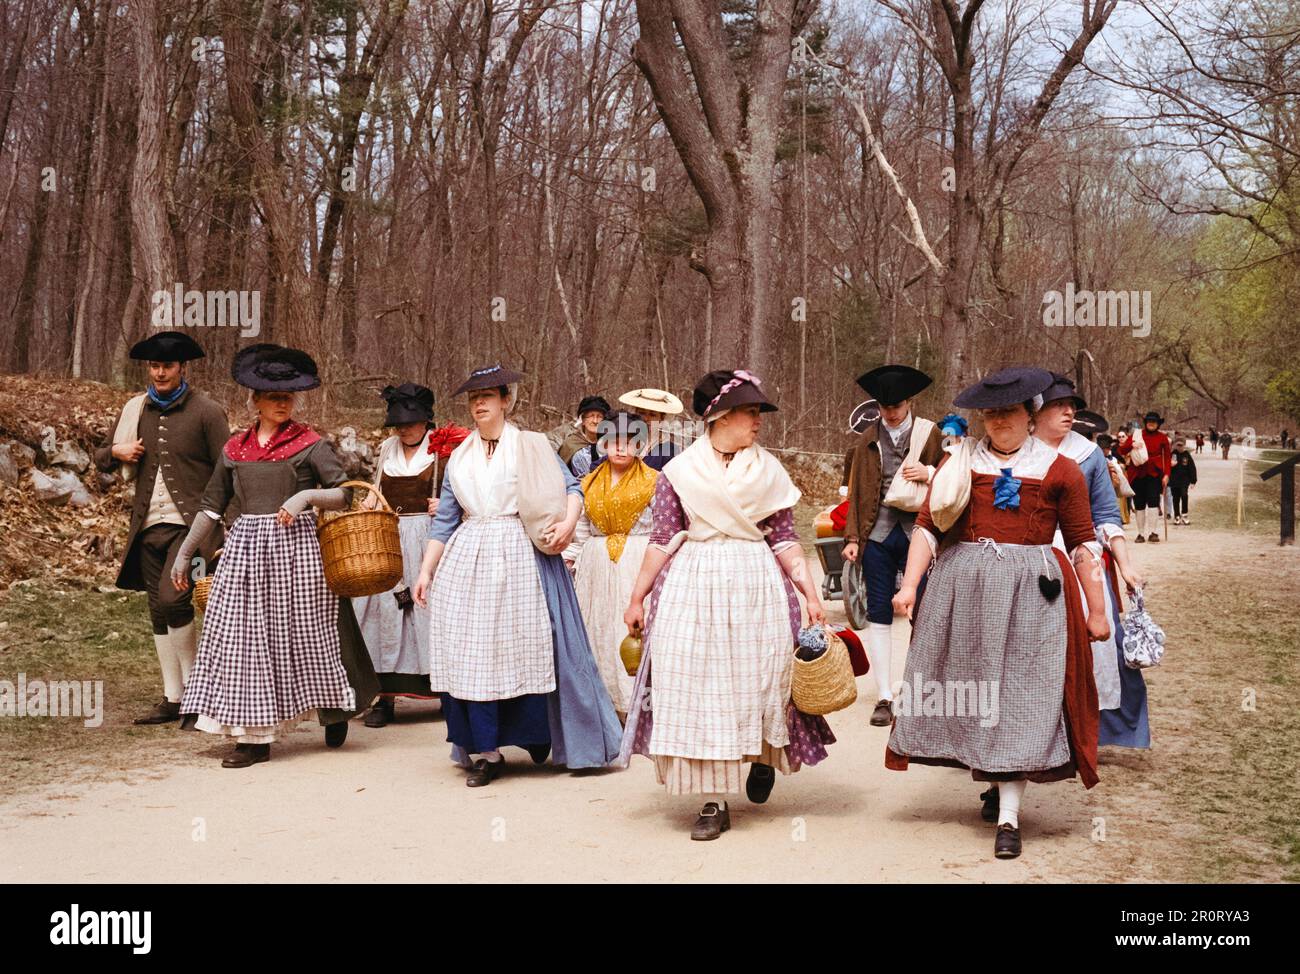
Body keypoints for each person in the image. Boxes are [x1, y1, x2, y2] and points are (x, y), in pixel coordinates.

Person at [887, 367, 1109, 861]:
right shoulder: (958, 464)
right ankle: (993, 779)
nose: (998, 422)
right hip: (966, 593)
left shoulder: (1060, 470)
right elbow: (926, 527)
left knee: (1024, 695)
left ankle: (1009, 816)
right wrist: (909, 585)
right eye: (989, 414)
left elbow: (1082, 544)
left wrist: (1097, 608)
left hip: (1035, 595)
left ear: (1030, 415)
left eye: (1007, 412)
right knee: (978, 690)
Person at [620, 369, 834, 841]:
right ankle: (713, 801)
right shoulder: (679, 473)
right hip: (693, 585)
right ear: (719, 415)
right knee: (697, 685)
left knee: (759, 678)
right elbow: (663, 539)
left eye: (759, 412)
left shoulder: (768, 471)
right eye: (750, 412)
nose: (758, 421)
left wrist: (810, 593)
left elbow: (783, 541)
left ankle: (760, 755)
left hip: (755, 583)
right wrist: (637, 596)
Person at [170, 344, 381, 768]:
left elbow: (343, 494)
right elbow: (211, 506)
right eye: (273, 397)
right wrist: (184, 554)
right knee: (244, 639)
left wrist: (304, 495)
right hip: (247, 552)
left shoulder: (310, 444)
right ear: (256, 402)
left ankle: (333, 709)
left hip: (299, 552)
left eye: (288, 396)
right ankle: (254, 738)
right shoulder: (235, 450)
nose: (282, 403)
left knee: (312, 634)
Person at [413, 364, 621, 787]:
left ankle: (543, 734)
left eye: (488, 397)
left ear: (506, 401)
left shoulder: (530, 445)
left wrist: (566, 525)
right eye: (474, 399)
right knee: (475, 653)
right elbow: (445, 520)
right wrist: (425, 570)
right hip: (471, 556)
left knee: (536, 643)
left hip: (523, 551)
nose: (480, 405)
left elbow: (573, 489)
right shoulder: (461, 458)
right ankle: (486, 749)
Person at [93, 331, 229, 728]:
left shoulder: (207, 411)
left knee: (173, 600)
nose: (160, 372)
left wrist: (231, 528)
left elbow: (229, 471)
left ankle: (197, 695)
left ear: (182, 368)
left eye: (167, 365)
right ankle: (173, 697)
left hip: (194, 530)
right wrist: (114, 453)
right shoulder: (136, 410)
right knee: (157, 610)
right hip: (146, 529)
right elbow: (100, 456)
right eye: (154, 366)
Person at [1035, 376, 1150, 752]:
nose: (1069, 412)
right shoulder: (1017, 450)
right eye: (1058, 405)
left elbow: (1105, 516)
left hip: (1079, 555)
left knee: (1097, 644)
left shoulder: (1088, 455)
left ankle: (1086, 730)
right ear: (1037, 411)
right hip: (1029, 557)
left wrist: (1125, 564)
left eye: (1072, 406)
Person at [842, 365, 945, 726]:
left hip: (921, 531)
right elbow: (855, 493)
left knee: (924, 611)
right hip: (878, 534)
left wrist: (929, 474)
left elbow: (953, 477)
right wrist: (853, 538)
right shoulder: (867, 438)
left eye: (897, 405)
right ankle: (885, 695)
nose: (891, 412)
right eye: (885, 406)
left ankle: (920, 690)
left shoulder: (930, 434)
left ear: (909, 402)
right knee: (879, 613)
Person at [351, 384, 443, 727]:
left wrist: (445, 505)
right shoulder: (388, 449)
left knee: (426, 610)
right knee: (384, 610)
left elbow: (462, 495)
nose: (404, 429)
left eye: (411, 421)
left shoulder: (442, 450)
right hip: (390, 537)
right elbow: (377, 488)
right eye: (398, 423)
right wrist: (371, 504)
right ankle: (384, 696)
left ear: (425, 421)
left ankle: (442, 689)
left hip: (426, 540)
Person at [563, 411, 658, 720]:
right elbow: (580, 528)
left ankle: (639, 708)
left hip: (637, 559)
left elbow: (662, 528)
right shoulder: (587, 483)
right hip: (596, 565)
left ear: (639, 446)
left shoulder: (655, 482)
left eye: (628, 443)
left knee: (632, 630)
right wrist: (570, 558)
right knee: (598, 630)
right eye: (614, 442)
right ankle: (603, 709)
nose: (620, 449)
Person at [1118, 411, 1171, 543]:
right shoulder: (1137, 435)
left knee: (1153, 502)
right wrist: (1132, 445)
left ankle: (1153, 532)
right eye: (1149, 421)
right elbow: (1121, 450)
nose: (1151, 424)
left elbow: (1167, 458)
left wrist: (1167, 475)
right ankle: (1140, 533)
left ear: (1158, 424)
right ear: (1145, 423)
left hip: (1154, 474)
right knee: (1139, 504)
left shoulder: (1162, 438)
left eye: (1154, 422)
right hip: (1137, 474)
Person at [618, 388, 690, 470]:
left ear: (661, 418)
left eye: (652, 415)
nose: (646, 418)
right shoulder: (621, 440)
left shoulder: (669, 450)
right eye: (642, 413)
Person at [558, 395, 611, 477]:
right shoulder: (571, 444)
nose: (595, 421)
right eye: (591, 416)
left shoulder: (610, 443)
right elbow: (560, 472)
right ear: (582, 420)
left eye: (599, 416)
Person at [1170, 447, 1197, 524]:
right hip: (1174, 480)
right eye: (1178, 445)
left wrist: (1193, 481)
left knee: (1184, 495)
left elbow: (1192, 468)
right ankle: (1177, 516)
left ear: (1184, 445)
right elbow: (1166, 466)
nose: (1179, 447)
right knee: (1175, 498)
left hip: (1184, 480)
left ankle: (1184, 515)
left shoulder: (1187, 455)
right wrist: (1170, 464)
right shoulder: (1173, 454)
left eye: (1181, 445)